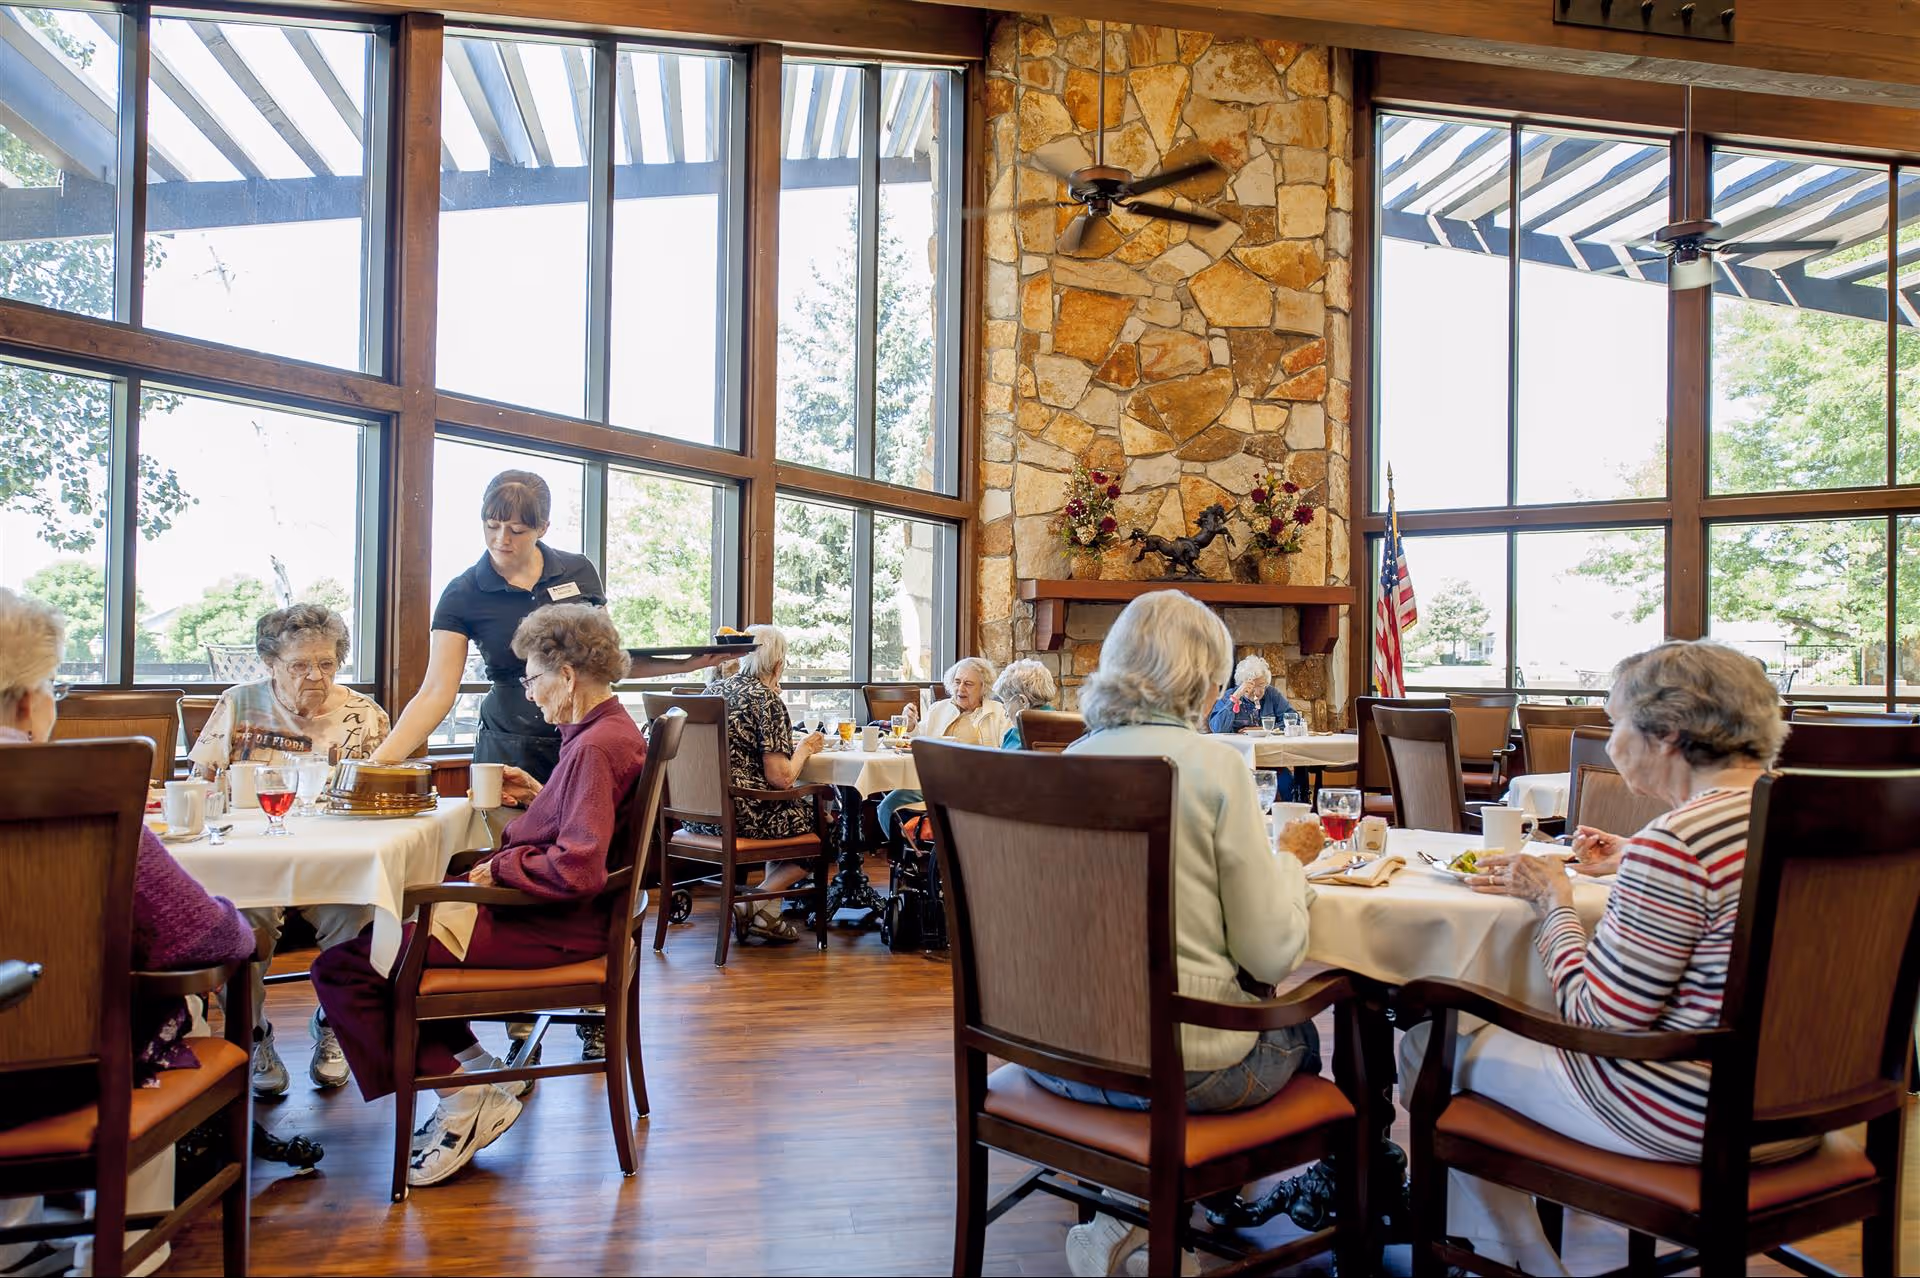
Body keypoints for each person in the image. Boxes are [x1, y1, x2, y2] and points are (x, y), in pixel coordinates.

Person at [1403, 639, 1790, 1276]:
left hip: (1687, 1114)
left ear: (1665, 733)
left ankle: (1523, 1262)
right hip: (1804, 1111)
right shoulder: (1792, 817)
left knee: (1426, 1040)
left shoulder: (1678, 845)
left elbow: (1600, 1020)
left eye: (1616, 722)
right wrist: (1634, 856)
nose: (1611, 740)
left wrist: (1551, 900)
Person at [370, 469, 720, 1060]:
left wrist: (687, 665)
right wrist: (378, 762)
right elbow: (437, 691)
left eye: (516, 529)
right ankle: (512, 1021)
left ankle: (588, 1006)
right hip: (511, 738)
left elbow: (605, 660)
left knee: (582, 858)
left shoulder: (575, 573)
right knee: (516, 853)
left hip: (578, 731)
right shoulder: (464, 592)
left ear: (543, 529)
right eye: (491, 526)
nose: (501, 540)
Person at [313, 603, 646, 1189]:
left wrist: (505, 865)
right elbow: (591, 823)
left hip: (558, 925)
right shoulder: (605, 733)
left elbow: (577, 868)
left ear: (566, 675)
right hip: (567, 918)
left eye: (533, 677)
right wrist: (545, 796)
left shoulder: (593, 747)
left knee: (350, 967)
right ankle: (474, 1072)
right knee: (379, 947)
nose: (530, 691)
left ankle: (463, 1101)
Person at [1043, 591, 1322, 1278]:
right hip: (1185, 1068)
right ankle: (1181, 1210)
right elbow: (1269, 953)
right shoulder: (1214, 764)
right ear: (1204, 676)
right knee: (1301, 1037)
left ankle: (1130, 1213)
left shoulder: (1063, 765)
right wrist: (1293, 864)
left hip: (1058, 1055)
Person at [0, 589, 257, 1277]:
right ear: (28, 701)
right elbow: (205, 941)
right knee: (166, 1006)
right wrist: (238, 918)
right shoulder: (76, 794)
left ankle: (17, 1245)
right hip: (52, 1081)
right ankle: (119, 1254)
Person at [187, 603, 388, 1097]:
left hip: (333, 858)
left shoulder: (365, 716)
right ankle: (254, 1033)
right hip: (251, 859)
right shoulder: (239, 703)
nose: (314, 676)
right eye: (299, 665)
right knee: (244, 924)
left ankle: (334, 1024)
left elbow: (382, 794)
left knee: (358, 914)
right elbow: (200, 784)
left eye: (325, 663)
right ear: (271, 664)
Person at [684, 625, 826, 944]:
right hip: (740, 815)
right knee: (822, 824)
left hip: (697, 814)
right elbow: (782, 778)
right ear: (778, 665)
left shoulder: (713, 691)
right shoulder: (766, 700)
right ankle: (753, 904)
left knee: (787, 813)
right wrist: (805, 748)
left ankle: (766, 915)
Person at [875, 657, 1009, 846]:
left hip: (973, 787)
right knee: (887, 807)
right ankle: (910, 858)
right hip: (931, 782)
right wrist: (911, 725)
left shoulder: (998, 713)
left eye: (968, 684)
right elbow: (917, 740)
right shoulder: (939, 708)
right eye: (957, 682)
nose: (960, 688)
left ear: (983, 688)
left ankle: (944, 861)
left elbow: (1005, 754)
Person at [1206, 654, 1300, 802]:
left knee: (1288, 784)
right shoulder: (1231, 696)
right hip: (1238, 764)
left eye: (1262, 685)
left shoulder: (1272, 695)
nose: (1258, 691)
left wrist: (1267, 729)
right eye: (1252, 686)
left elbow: (1294, 720)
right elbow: (1217, 728)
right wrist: (1235, 697)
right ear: (1242, 684)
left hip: (1270, 761)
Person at [994, 658, 1058, 750]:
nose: (1006, 713)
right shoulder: (1070, 727)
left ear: (1022, 701)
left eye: (1006, 703)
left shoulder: (1016, 738)